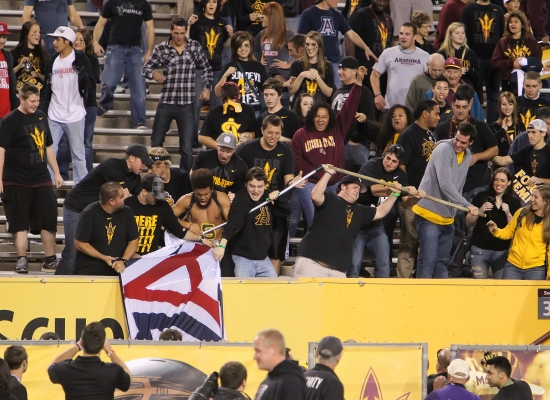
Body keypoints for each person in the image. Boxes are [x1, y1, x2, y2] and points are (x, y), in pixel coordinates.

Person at [294, 165, 405, 278]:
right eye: (355, 187)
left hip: (338, 271)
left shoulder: (359, 210)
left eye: (359, 189)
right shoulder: (330, 199)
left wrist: (394, 194)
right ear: (343, 186)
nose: (357, 191)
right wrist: (328, 174)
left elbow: (380, 212)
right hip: (312, 264)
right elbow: (315, 195)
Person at [57, 144, 152, 275]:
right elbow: (122, 194)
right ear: (131, 158)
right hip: (76, 207)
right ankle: (61, 285)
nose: (144, 167)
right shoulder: (112, 166)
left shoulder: (134, 177)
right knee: (72, 251)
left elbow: (141, 198)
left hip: (96, 212)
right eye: (143, 162)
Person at [291, 66, 367, 230]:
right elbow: (297, 162)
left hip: (335, 184)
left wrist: (358, 82)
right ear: (312, 117)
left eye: (324, 117)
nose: (320, 120)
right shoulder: (301, 134)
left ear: (329, 118)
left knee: (337, 223)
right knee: (317, 222)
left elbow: (349, 107)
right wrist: (320, 172)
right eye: (317, 116)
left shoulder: (337, 129)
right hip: (311, 183)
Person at [0, 83, 63, 274]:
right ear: (22, 99)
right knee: (18, 221)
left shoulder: (42, 116)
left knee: (49, 217)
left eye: (37, 100)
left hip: (41, 177)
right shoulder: (10, 120)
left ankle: (50, 260)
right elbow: (1, 150)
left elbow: (48, 146)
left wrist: (57, 172)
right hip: (15, 178)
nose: (36, 104)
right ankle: (21, 259)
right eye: (32, 101)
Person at [143, 17, 212, 170]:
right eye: (176, 33)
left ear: (186, 31)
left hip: (186, 104)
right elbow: (145, 68)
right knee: (156, 143)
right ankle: (155, 175)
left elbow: (207, 69)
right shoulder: (162, 48)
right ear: (171, 31)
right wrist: (154, 73)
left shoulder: (194, 47)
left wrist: (207, 87)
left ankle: (185, 180)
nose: (179, 37)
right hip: (167, 102)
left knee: (187, 148)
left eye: (182, 33)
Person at [413, 122, 480, 279]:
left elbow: (460, 185)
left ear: (470, 143)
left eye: (463, 142)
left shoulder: (468, 155)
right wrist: (467, 205)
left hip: (447, 217)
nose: (458, 144)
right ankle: (420, 299)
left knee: (442, 261)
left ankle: (440, 299)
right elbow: (445, 184)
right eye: (456, 139)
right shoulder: (444, 149)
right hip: (428, 213)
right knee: (428, 259)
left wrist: (456, 210)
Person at [350, 145, 424, 278]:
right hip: (359, 220)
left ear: (399, 164)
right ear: (384, 156)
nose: (389, 163)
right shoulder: (372, 165)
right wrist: (394, 189)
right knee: (354, 264)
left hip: (377, 224)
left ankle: (383, 295)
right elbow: (374, 190)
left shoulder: (401, 175)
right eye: (388, 158)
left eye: (394, 161)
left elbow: (406, 202)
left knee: (384, 264)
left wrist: (415, 198)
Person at [237, 114, 298, 274]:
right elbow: (238, 177)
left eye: (277, 133)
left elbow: (288, 180)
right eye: (270, 133)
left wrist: (295, 183)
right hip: (252, 205)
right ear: (262, 130)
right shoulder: (246, 149)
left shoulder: (286, 152)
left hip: (276, 206)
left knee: (276, 253)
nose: (274, 137)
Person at [41, 26, 94, 185]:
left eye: (58, 39)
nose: (54, 42)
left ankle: (81, 186)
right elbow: (47, 85)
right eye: (54, 39)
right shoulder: (53, 60)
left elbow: (90, 81)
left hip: (75, 114)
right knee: (50, 151)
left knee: (78, 153)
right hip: (54, 114)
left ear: (67, 41)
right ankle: (47, 184)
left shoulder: (80, 58)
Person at [213, 167, 289, 277]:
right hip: (243, 259)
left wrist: (280, 199)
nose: (256, 191)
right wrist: (222, 245)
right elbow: (234, 222)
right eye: (252, 186)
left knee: (272, 291)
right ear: (246, 185)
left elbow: (286, 212)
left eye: (260, 187)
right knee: (245, 293)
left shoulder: (269, 197)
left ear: (265, 185)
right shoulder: (241, 199)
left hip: (263, 259)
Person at [93, 0, 155, 129]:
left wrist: (149, 51)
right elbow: (100, 23)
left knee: (139, 88)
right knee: (109, 83)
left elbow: (150, 28)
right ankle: (105, 104)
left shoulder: (143, 4)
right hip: (115, 48)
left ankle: (140, 121)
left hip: (136, 50)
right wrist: (95, 42)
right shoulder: (111, 3)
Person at [395, 100, 439, 278]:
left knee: (427, 243)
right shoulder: (409, 134)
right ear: (424, 114)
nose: (438, 117)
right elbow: (401, 166)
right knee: (410, 242)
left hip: (429, 199)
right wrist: (406, 194)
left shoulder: (431, 134)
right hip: (412, 199)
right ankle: (403, 283)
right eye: (435, 113)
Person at [297, 0, 377, 88]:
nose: (338, 0)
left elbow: (350, 33)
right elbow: (301, 40)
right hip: (314, 63)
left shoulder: (337, 15)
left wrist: (366, 48)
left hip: (334, 62)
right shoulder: (308, 14)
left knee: (336, 95)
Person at [435, 89, 499, 196]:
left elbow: (494, 150)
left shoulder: (480, 126)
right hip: (451, 185)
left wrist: (477, 157)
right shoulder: (442, 128)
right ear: (452, 105)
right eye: (458, 107)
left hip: (476, 185)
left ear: (469, 106)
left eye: (464, 107)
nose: (461, 110)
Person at [57, 27, 101, 179]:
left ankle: (86, 176)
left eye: (81, 41)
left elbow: (91, 80)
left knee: (85, 142)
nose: (78, 43)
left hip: (87, 105)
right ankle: (62, 174)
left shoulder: (92, 60)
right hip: (66, 105)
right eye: (75, 40)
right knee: (63, 142)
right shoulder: (61, 59)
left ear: (86, 43)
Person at [124, 175, 206, 255]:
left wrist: (201, 239)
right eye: (155, 196)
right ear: (144, 192)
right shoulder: (127, 205)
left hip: (150, 258)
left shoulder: (163, 206)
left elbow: (178, 230)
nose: (157, 199)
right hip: (127, 257)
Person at [47, 322, 131, 398]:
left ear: (82, 341)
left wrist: (77, 346)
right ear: (103, 345)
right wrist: (110, 351)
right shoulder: (112, 371)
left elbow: (51, 366)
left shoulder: (66, 369)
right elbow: (128, 377)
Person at [466, 168, 521, 279]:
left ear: (509, 182)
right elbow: (468, 222)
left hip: (502, 251)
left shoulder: (513, 201)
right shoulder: (481, 196)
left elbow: (515, 229)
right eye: (496, 180)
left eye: (502, 180)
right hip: (480, 250)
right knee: (479, 287)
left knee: (501, 288)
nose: (498, 183)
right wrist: (480, 210)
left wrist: (508, 214)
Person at [74, 182, 139, 276]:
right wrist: (104, 258)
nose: (124, 199)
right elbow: (80, 243)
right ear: (111, 201)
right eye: (121, 197)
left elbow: (133, 240)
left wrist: (123, 261)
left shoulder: (127, 212)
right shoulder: (89, 213)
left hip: (119, 268)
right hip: (90, 269)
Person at [188, 0, 232, 137]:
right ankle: (192, 138)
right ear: (204, 4)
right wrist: (188, 26)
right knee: (195, 105)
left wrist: (231, 35)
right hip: (199, 69)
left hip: (217, 68)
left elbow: (226, 45)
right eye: (209, 2)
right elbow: (188, 42)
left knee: (217, 105)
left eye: (214, 2)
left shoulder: (223, 23)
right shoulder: (196, 21)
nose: (211, 4)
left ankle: (214, 138)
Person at [488, 186, 550, 280]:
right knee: (507, 294)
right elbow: (509, 231)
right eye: (532, 196)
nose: (531, 199)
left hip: (536, 270)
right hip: (512, 267)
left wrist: (549, 273)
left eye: (536, 197)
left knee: (533, 295)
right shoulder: (522, 213)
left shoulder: (548, 223)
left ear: (545, 201)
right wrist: (496, 230)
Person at [461, 0, 504, 122]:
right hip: (475, 59)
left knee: (494, 97)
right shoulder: (468, 10)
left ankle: (492, 128)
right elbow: (463, 34)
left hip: (494, 60)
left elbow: (501, 36)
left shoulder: (498, 10)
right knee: (474, 96)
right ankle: (475, 126)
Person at [371, 23, 430, 112]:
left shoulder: (425, 56)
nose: (403, 37)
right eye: (401, 33)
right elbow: (375, 74)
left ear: (414, 37)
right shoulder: (388, 53)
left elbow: (431, 80)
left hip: (415, 109)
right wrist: (377, 94)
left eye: (407, 34)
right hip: (391, 108)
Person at [331, 56, 375, 173]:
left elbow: (370, 120)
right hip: (337, 144)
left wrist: (354, 140)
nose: (340, 72)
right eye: (339, 69)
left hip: (356, 146)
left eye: (344, 69)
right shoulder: (337, 92)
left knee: (356, 183)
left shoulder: (364, 92)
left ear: (354, 71)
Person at [215, 31, 268, 116]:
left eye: (246, 45)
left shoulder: (258, 66)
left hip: (255, 111)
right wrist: (225, 75)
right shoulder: (229, 66)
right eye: (240, 46)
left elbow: (267, 88)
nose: (243, 49)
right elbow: (217, 93)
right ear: (235, 48)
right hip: (235, 110)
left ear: (251, 47)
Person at [172, 168, 231, 240]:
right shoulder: (186, 200)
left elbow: (234, 223)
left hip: (218, 245)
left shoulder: (221, 198)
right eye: (198, 194)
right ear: (193, 189)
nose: (203, 198)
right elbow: (165, 218)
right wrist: (188, 225)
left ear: (212, 189)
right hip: (196, 244)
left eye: (206, 194)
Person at [492, 11, 542, 95]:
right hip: (508, 83)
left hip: (528, 84)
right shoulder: (502, 42)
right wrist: (511, 63)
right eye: (510, 22)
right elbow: (495, 62)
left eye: (516, 22)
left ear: (522, 24)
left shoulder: (532, 43)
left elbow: (538, 64)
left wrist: (526, 62)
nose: (512, 24)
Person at [199, 82, 257, 149]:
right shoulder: (215, 112)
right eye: (225, 99)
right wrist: (220, 147)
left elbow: (254, 132)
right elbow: (202, 137)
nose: (229, 103)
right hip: (217, 153)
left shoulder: (248, 110)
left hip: (240, 153)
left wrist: (249, 136)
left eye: (232, 98)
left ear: (239, 96)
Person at [346, 0, 394, 82]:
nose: (382, 3)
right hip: (364, 69)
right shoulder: (360, 15)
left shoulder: (388, 19)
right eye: (379, 0)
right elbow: (350, 42)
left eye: (385, 1)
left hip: (383, 71)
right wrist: (353, 67)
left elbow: (390, 43)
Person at [254, 2, 295, 94]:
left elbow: (302, 53)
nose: (261, 17)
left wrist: (288, 64)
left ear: (271, 18)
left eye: (264, 15)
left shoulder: (288, 34)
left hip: (282, 78)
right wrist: (258, 63)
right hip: (266, 78)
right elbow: (250, 51)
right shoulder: (261, 34)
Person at [252, 329, 306, 399]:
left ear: (274, 350)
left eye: (258, 351)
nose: (254, 357)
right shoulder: (273, 378)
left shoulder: (290, 382)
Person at [493, 119, 550, 184]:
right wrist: (486, 155)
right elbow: (503, 161)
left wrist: (541, 180)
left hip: (545, 192)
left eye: (533, 132)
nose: (530, 136)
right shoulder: (526, 151)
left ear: (543, 133)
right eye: (529, 132)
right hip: (528, 192)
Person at [288, 31, 336, 106]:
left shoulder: (327, 65)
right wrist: (302, 75)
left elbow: (329, 93)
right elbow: (291, 91)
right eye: (307, 44)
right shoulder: (297, 64)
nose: (310, 47)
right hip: (300, 109)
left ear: (319, 46)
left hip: (320, 108)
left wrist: (318, 78)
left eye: (313, 44)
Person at [437, 23, 481, 100]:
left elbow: (477, 77)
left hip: (467, 91)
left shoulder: (470, 53)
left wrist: (468, 70)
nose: (461, 35)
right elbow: (437, 74)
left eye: (462, 33)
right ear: (450, 35)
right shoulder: (442, 53)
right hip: (447, 91)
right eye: (457, 33)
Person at [10, 21, 47, 95]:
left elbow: (48, 78)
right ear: (26, 34)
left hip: (39, 97)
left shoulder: (44, 54)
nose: (38, 35)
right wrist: (19, 67)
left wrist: (38, 75)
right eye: (35, 32)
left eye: (39, 32)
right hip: (20, 97)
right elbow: (7, 74)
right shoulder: (13, 53)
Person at [489, 92, 519, 156]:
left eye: (510, 104)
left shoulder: (520, 124)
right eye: (504, 104)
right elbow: (490, 144)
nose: (507, 107)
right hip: (500, 163)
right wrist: (502, 130)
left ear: (514, 106)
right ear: (500, 106)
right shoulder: (493, 127)